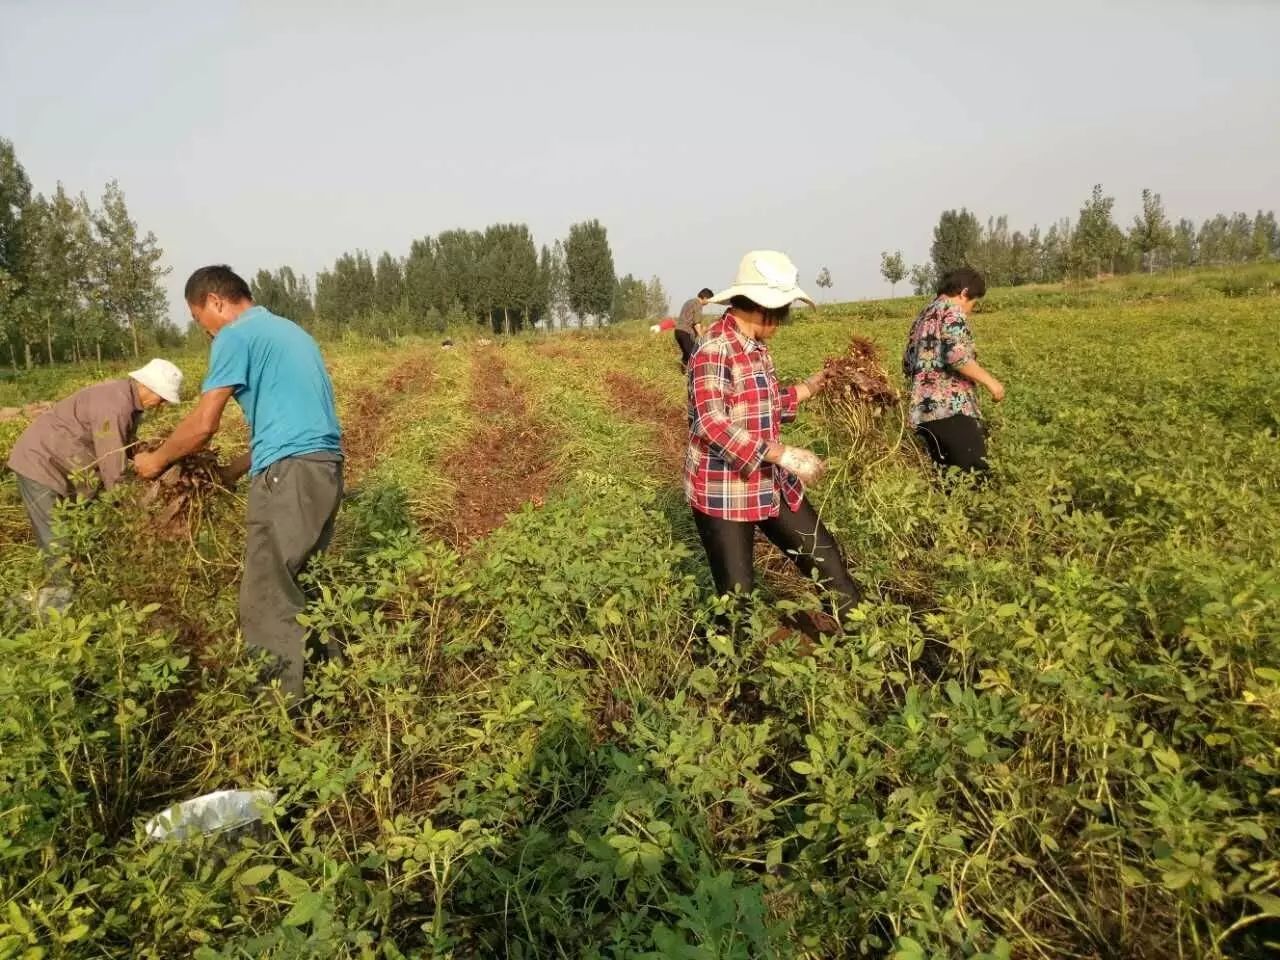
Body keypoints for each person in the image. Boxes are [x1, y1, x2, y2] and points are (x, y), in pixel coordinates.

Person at [134, 266, 343, 699]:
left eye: (197, 319)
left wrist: (157, 460)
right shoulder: (290, 333)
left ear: (215, 302)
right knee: (303, 580)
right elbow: (288, 424)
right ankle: (332, 689)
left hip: (290, 474)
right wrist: (228, 474)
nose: (204, 332)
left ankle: (278, 711)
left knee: (265, 593)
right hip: (322, 466)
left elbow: (203, 424)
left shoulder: (236, 335)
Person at [686, 251, 861, 634]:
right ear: (764, 308)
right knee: (737, 603)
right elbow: (711, 422)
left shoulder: (757, 348)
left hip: (771, 483)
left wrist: (811, 387)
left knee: (828, 564)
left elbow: (759, 406)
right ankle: (735, 678)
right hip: (725, 493)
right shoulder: (714, 349)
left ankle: (872, 643)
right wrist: (782, 453)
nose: (783, 320)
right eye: (783, 310)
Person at [6, 358, 183, 607]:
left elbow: (123, 445)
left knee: (80, 533)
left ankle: (80, 594)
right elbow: (113, 468)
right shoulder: (115, 405)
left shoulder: (127, 401)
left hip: (66, 467)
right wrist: (132, 511)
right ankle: (52, 610)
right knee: (57, 542)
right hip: (40, 465)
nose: (161, 404)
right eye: (162, 397)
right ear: (148, 386)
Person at [902, 267, 1005, 475]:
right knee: (975, 478)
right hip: (952, 410)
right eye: (972, 304)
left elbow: (907, 363)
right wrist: (992, 383)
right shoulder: (952, 311)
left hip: (924, 414)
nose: (969, 311)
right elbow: (957, 357)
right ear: (964, 293)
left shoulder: (924, 316)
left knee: (947, 484)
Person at [675, 287, 714, 371]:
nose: (708, 303)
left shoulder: (689, 302)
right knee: (695, 354)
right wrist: (702, 337)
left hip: (678, 331)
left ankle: (684, 372)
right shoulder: (698, 304)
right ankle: (696, 374)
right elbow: (697, 324)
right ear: (705, 298)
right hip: (686, 332)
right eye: (709, 300)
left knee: (686, 354)